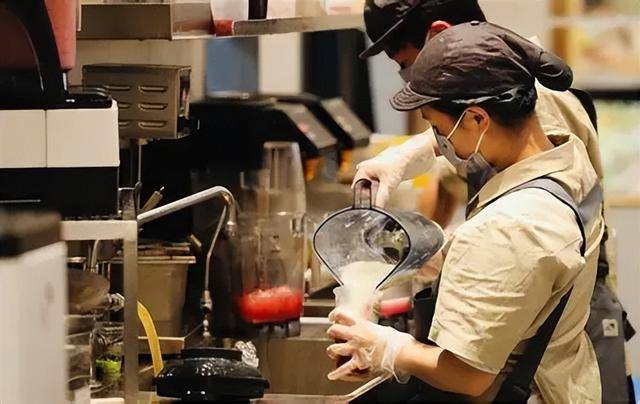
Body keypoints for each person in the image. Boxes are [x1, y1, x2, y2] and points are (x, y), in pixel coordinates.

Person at [355, 2, 634, 402]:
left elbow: (469, 375)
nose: (442, 141)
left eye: (436, 126)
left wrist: (389, 348)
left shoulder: (514, 216)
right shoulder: (547, 140)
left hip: (537, 373)